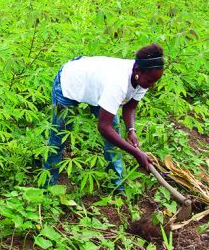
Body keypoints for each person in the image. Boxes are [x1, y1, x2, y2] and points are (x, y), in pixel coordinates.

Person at [43, 43, 165, 191]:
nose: (151, 86)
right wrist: (136, 153)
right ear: (137, 71)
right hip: (70, 81)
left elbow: (130, 107)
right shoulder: (118, 83)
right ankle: (48, 184)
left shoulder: (143, 78)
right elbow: (103, 127)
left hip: (97, 88)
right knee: (59, 135)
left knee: (114, 137)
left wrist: (131, 130)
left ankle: (116, 185)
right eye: (150, 81)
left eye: (154, 82)